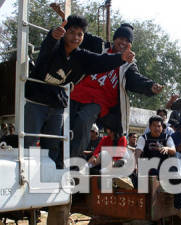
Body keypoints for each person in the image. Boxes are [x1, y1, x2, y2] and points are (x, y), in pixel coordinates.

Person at [24, 16, 135, 168]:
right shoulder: (54, 47)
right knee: (29, 140)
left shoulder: (81, 56)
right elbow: (46, 49)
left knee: (53, 143)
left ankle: (54, 173)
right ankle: (24, 172)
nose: (75, 37)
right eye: (71, 32)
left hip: (57, 104)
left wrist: (120, 58)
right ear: (64, 33)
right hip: (37, 100)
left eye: (80, 34)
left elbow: (100, 61)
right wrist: (52, 36)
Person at [70, 23, 163, 159]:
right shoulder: (100, 46)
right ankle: (56, 158)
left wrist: (150, 86)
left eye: (127, 41)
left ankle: (73, 160)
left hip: (100, 102)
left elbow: (135, 79)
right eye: (121, 38)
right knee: (64, 122)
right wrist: (68, 20)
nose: (123, 42)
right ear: (114, 39)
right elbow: (80, 34)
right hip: (77, 93)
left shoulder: (128, 63)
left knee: (84, 120)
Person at [135, 116, 181, 220]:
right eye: (154, 126)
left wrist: (167, 148)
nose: (156, 128)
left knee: (176, 176)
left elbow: (173, 150)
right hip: (150, 167)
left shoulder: (167, 137)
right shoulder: (144, 138)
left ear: (162, 127)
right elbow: (138, 151)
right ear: (150, 127)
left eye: (159, 126)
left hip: (164, 168)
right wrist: (135, 163)